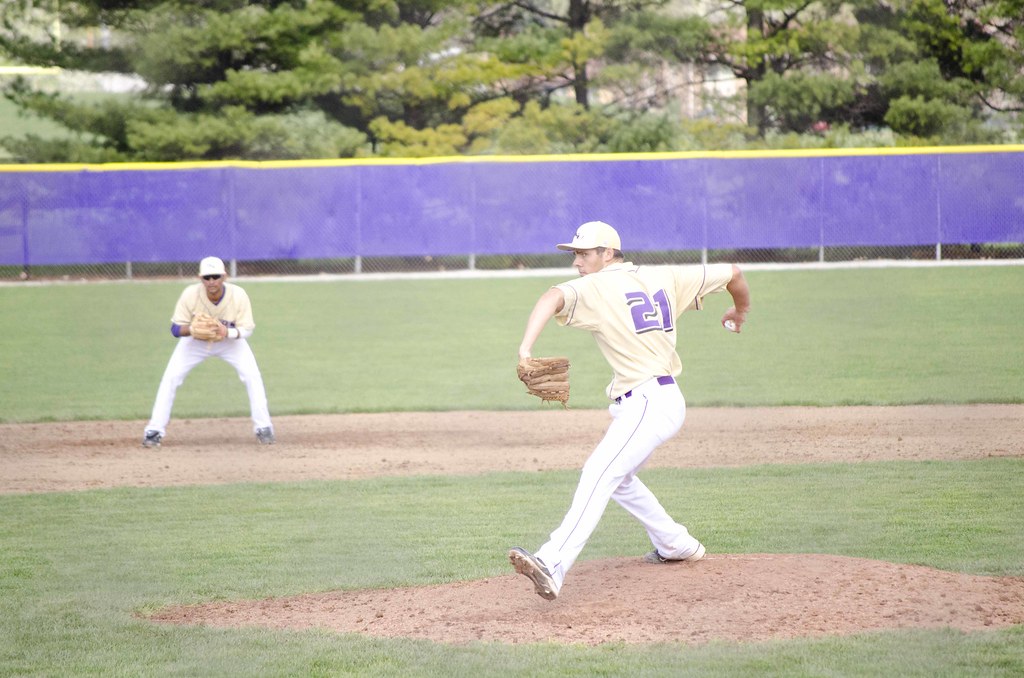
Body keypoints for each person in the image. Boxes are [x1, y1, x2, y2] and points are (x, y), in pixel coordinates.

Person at [508, 221, 751, 600]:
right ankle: (676, 544)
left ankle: (552, 562)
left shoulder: (596, 285)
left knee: (599, 472)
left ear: (608, 253)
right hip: (654, 402)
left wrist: (525, 349)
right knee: (619, 478)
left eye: (585, 254)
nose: (577, 262)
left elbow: (550, 297)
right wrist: (740, 310)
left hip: (649, 403)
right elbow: (734, 272)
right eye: (575, 254)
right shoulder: (666, 275)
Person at [142, 256, 275, 447]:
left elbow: (248, 328)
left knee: (252, 375)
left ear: (224, 276)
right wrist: (191, 329)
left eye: (215, 276)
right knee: (171, 377)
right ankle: (154, 430)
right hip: (195, 342)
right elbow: (175, 329)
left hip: (230, 341)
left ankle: (264, 427)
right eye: (207, 277)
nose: (211, 281)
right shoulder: (190, 294)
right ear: (200, 278)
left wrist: (226, 331)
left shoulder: (238, 295)